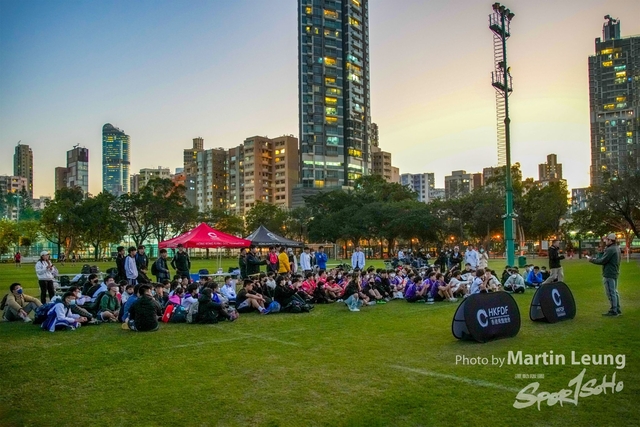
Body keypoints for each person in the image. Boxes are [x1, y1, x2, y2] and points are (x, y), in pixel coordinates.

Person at [586, 233, 622, 316]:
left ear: (610, 240)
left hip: (609, 273)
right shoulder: (616, 248)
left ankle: (613, 310)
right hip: (614, 272)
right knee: (614, 292)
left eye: (607, 239)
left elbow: (602, 261)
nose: (605, 241)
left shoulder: (610, 249)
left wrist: (591, 260)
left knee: (610, 293)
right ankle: (617, 309)